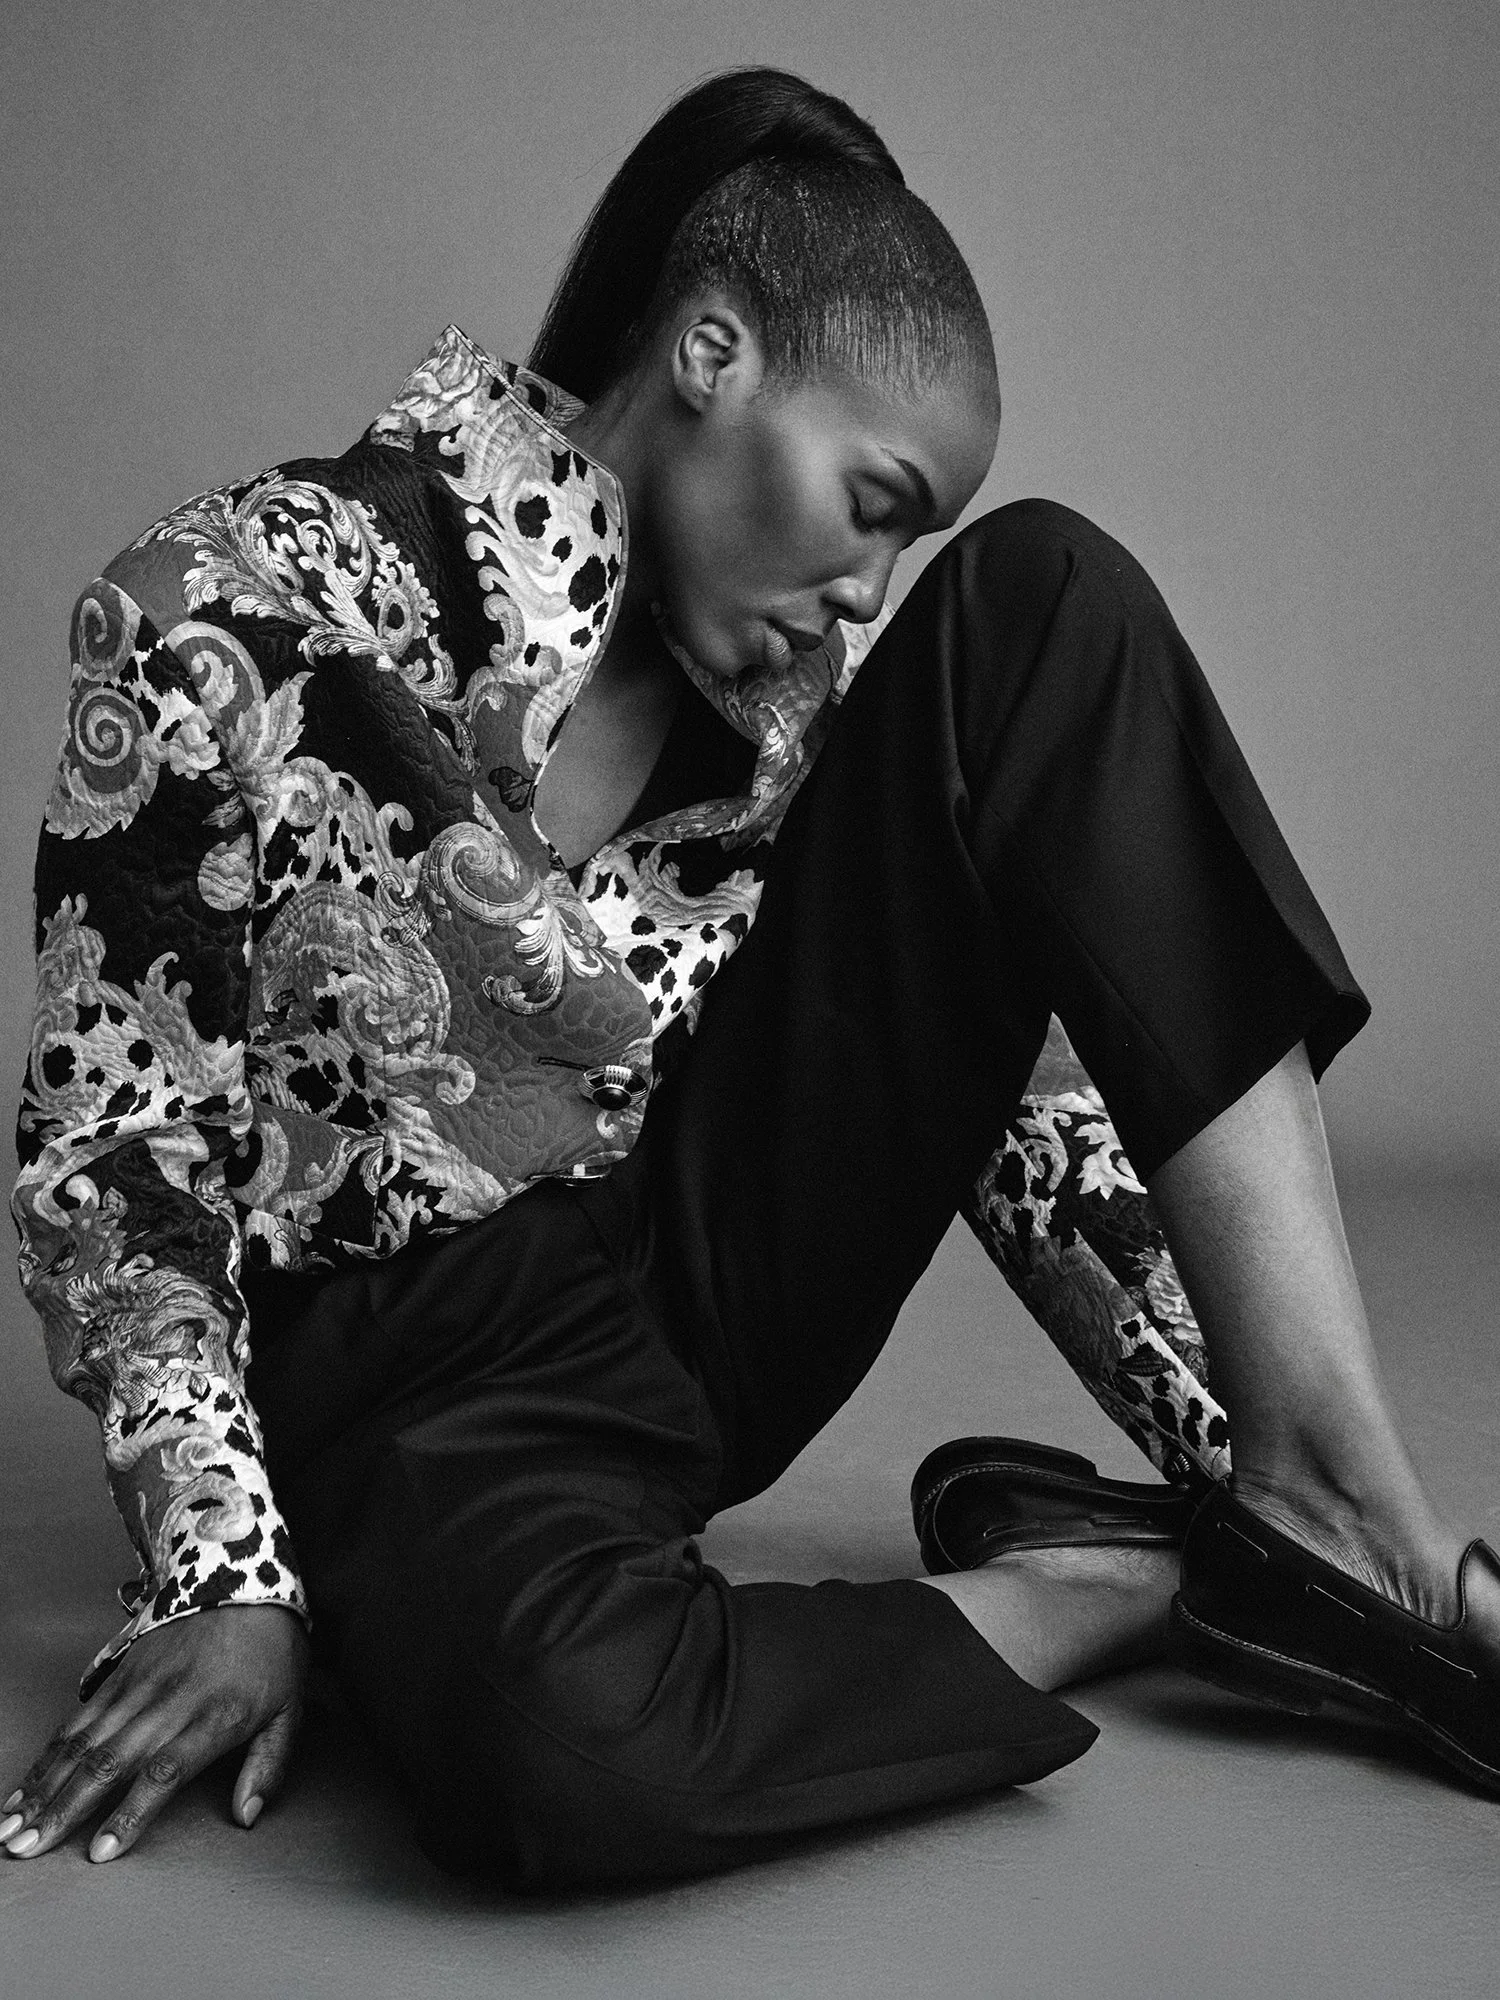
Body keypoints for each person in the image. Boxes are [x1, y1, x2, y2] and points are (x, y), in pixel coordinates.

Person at [7, 66, 1497, 1889]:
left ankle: (1331, 1507)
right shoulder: (220, 615)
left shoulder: (808, 741)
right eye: (873, 504)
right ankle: (1130, 1586)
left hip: (698, 1300)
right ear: (711, 354)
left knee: (1051, 602)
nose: (869, 592)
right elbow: (117, 1149)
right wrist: (223, 1578)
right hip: (414, 1413)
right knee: (559, 1753)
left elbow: (1013, 1139)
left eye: (903, 545)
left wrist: (1229, 1438)